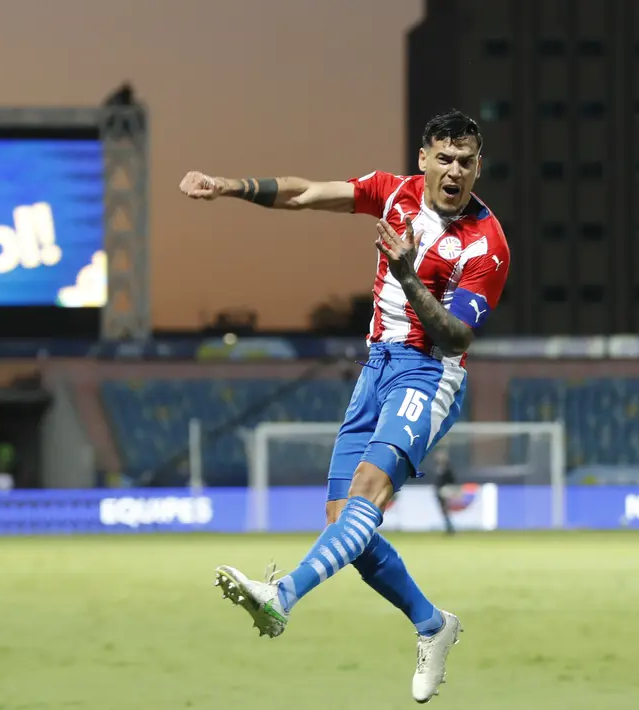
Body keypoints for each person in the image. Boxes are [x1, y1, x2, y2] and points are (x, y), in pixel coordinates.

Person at [180, 109, 510, 703]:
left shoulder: (485, 244)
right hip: (375, 367)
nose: (455, 170)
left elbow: (457, 338)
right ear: (425, 160)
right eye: (445, 158)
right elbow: (306, 193)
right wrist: (229, 186)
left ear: (478, 165)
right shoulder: (394, 194)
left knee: (364, 497)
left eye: (467, 160)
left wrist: (409, 275)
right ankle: (434, 624)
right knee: (344, 528)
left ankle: (281, 598)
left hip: (428, 374)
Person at [431, 449, 457, 536]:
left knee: (445, 510)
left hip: (444, 491)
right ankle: (449, 527)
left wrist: (448, 488)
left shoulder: (447, 468)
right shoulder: (438, 467)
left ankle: (450, 528)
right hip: (439, 491)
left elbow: (452, 480)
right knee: (443, 511)